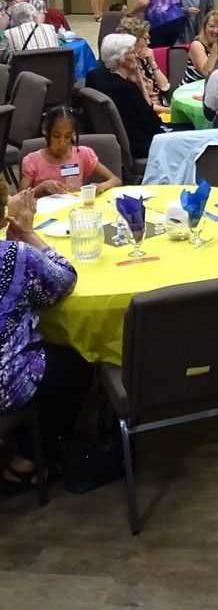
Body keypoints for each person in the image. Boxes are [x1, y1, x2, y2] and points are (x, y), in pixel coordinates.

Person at [0, 179, 91, 490]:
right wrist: (27, 234)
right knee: (77, 362)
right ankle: (30, 459)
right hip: (5, 383)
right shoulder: (13, 256)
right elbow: (64, 278)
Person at [86, 33, 163, 159]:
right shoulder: (125, 88)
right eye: (132, 52)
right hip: (139, 145)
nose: (136, 55)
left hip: (111, 143)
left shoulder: (94, 76)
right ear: (120, 58)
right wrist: (139, 83)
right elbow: (153, 124)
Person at [19, 106, 120, 197]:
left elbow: (116, 180)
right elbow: (19, 198)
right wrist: (40, 188)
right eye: (56, 136)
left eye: (67, 137)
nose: (62, 143)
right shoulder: (32, 161)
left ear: (73, 134)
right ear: (45, 130)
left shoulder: (83, 154)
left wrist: (101, 186)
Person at [116, 16, 171, 114]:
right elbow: (142, 104)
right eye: (145, 39)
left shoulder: (144, 58)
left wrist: (152, 61)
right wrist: (171, 111)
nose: (149, 42)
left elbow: (164, 86)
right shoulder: (127, 66)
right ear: (133, 40)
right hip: (149, 113)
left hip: (162, 106)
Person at [183, 9, 218, 85]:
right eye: (211, 26)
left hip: (214, 89)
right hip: (192, 90)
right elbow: (206, 73)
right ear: (204, 27)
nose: (215, 31)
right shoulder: (197, 45)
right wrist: (216, 48)